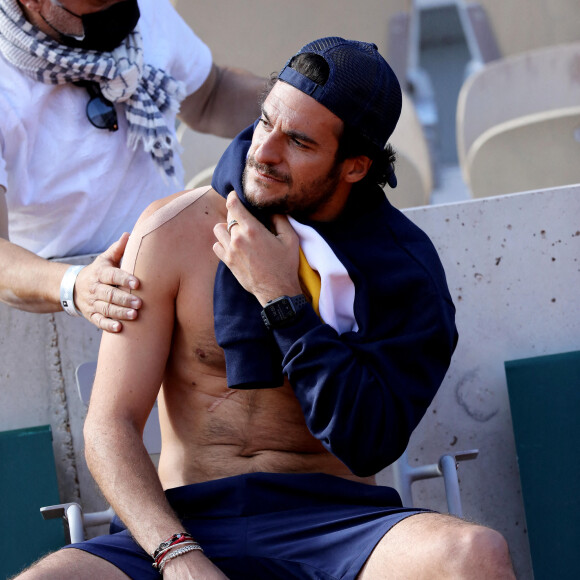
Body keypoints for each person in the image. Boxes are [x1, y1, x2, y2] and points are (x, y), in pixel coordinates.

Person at [15, 37, 516, 579]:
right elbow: (108, 427)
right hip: (184, 521)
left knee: (475, 556)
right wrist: (178, 557)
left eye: (298, 141)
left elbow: (370, 441)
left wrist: (283, 300)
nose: (264, 151)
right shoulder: (171, 232)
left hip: (338, 523)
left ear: (353, 167)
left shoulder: (403, 272)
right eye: (265, 121)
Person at [0, 0, 264, 332]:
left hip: (177, 270)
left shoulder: (147, 9)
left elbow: (212, 96)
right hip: (61, 306)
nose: (120, 7)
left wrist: (298, 102)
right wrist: (77, 286)